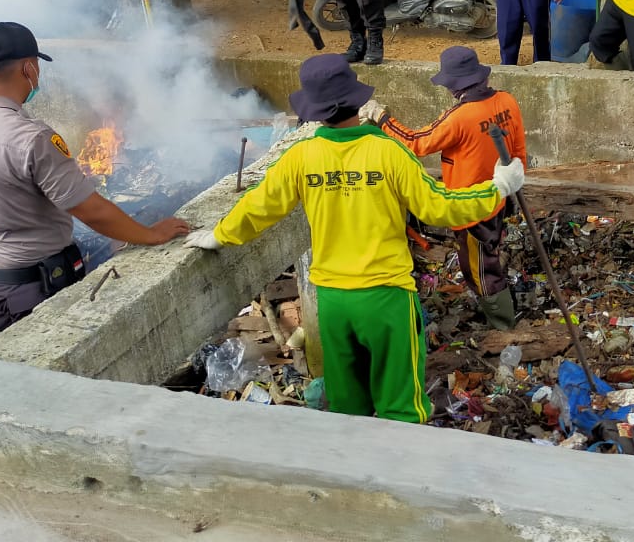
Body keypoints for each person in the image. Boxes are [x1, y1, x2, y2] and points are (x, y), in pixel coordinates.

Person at [183, 54, 525, 423]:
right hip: (386, 298)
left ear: (314, 111)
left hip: (333, 304)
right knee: (402, 408)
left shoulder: (302, 156)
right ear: (358, 100)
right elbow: (440, 207)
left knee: (347, 410)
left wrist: (219, 234)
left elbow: (258, 207)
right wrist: (497, 189)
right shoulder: (388, 152)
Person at [0, 23, 189, 339]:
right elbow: (90, 210)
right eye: (36, 67)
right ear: (29, 68)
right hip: (29, 290)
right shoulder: (32, 139)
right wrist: (150, 235)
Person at [362, 47, 525, 330]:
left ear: (453, 86)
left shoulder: (459, 117)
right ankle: (499, 308)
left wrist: (382, 117)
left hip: (471, 207)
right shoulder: (507, 101)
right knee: (488, 255)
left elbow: (417, 143)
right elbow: (519, 151)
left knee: (482, 271)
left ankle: (504, 325)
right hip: (502, 195)